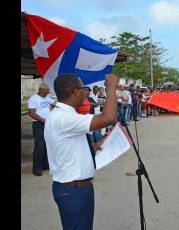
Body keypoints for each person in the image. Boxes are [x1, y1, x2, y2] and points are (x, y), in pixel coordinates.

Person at [44, 73, 118, 230]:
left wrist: (92, 147)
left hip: (75, 188)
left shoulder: (63, 115)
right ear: (75, 91)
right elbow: (109, 118)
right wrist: (111, 87)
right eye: (84, 88)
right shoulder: (63, 117)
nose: (86, 92)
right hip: (73, 190)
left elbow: (66, 146)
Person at [28, 83, 56, 176]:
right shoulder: (33, 98)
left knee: (47, 145)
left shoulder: (47, 99)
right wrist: (43, 120)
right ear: (41, 90)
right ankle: (37, 168)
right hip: (38, 124)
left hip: (47, 124)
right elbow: (31, 113)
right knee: (39, 146)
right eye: (47, 90)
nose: (48, 92)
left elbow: (55, 104)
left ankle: (45, 165)